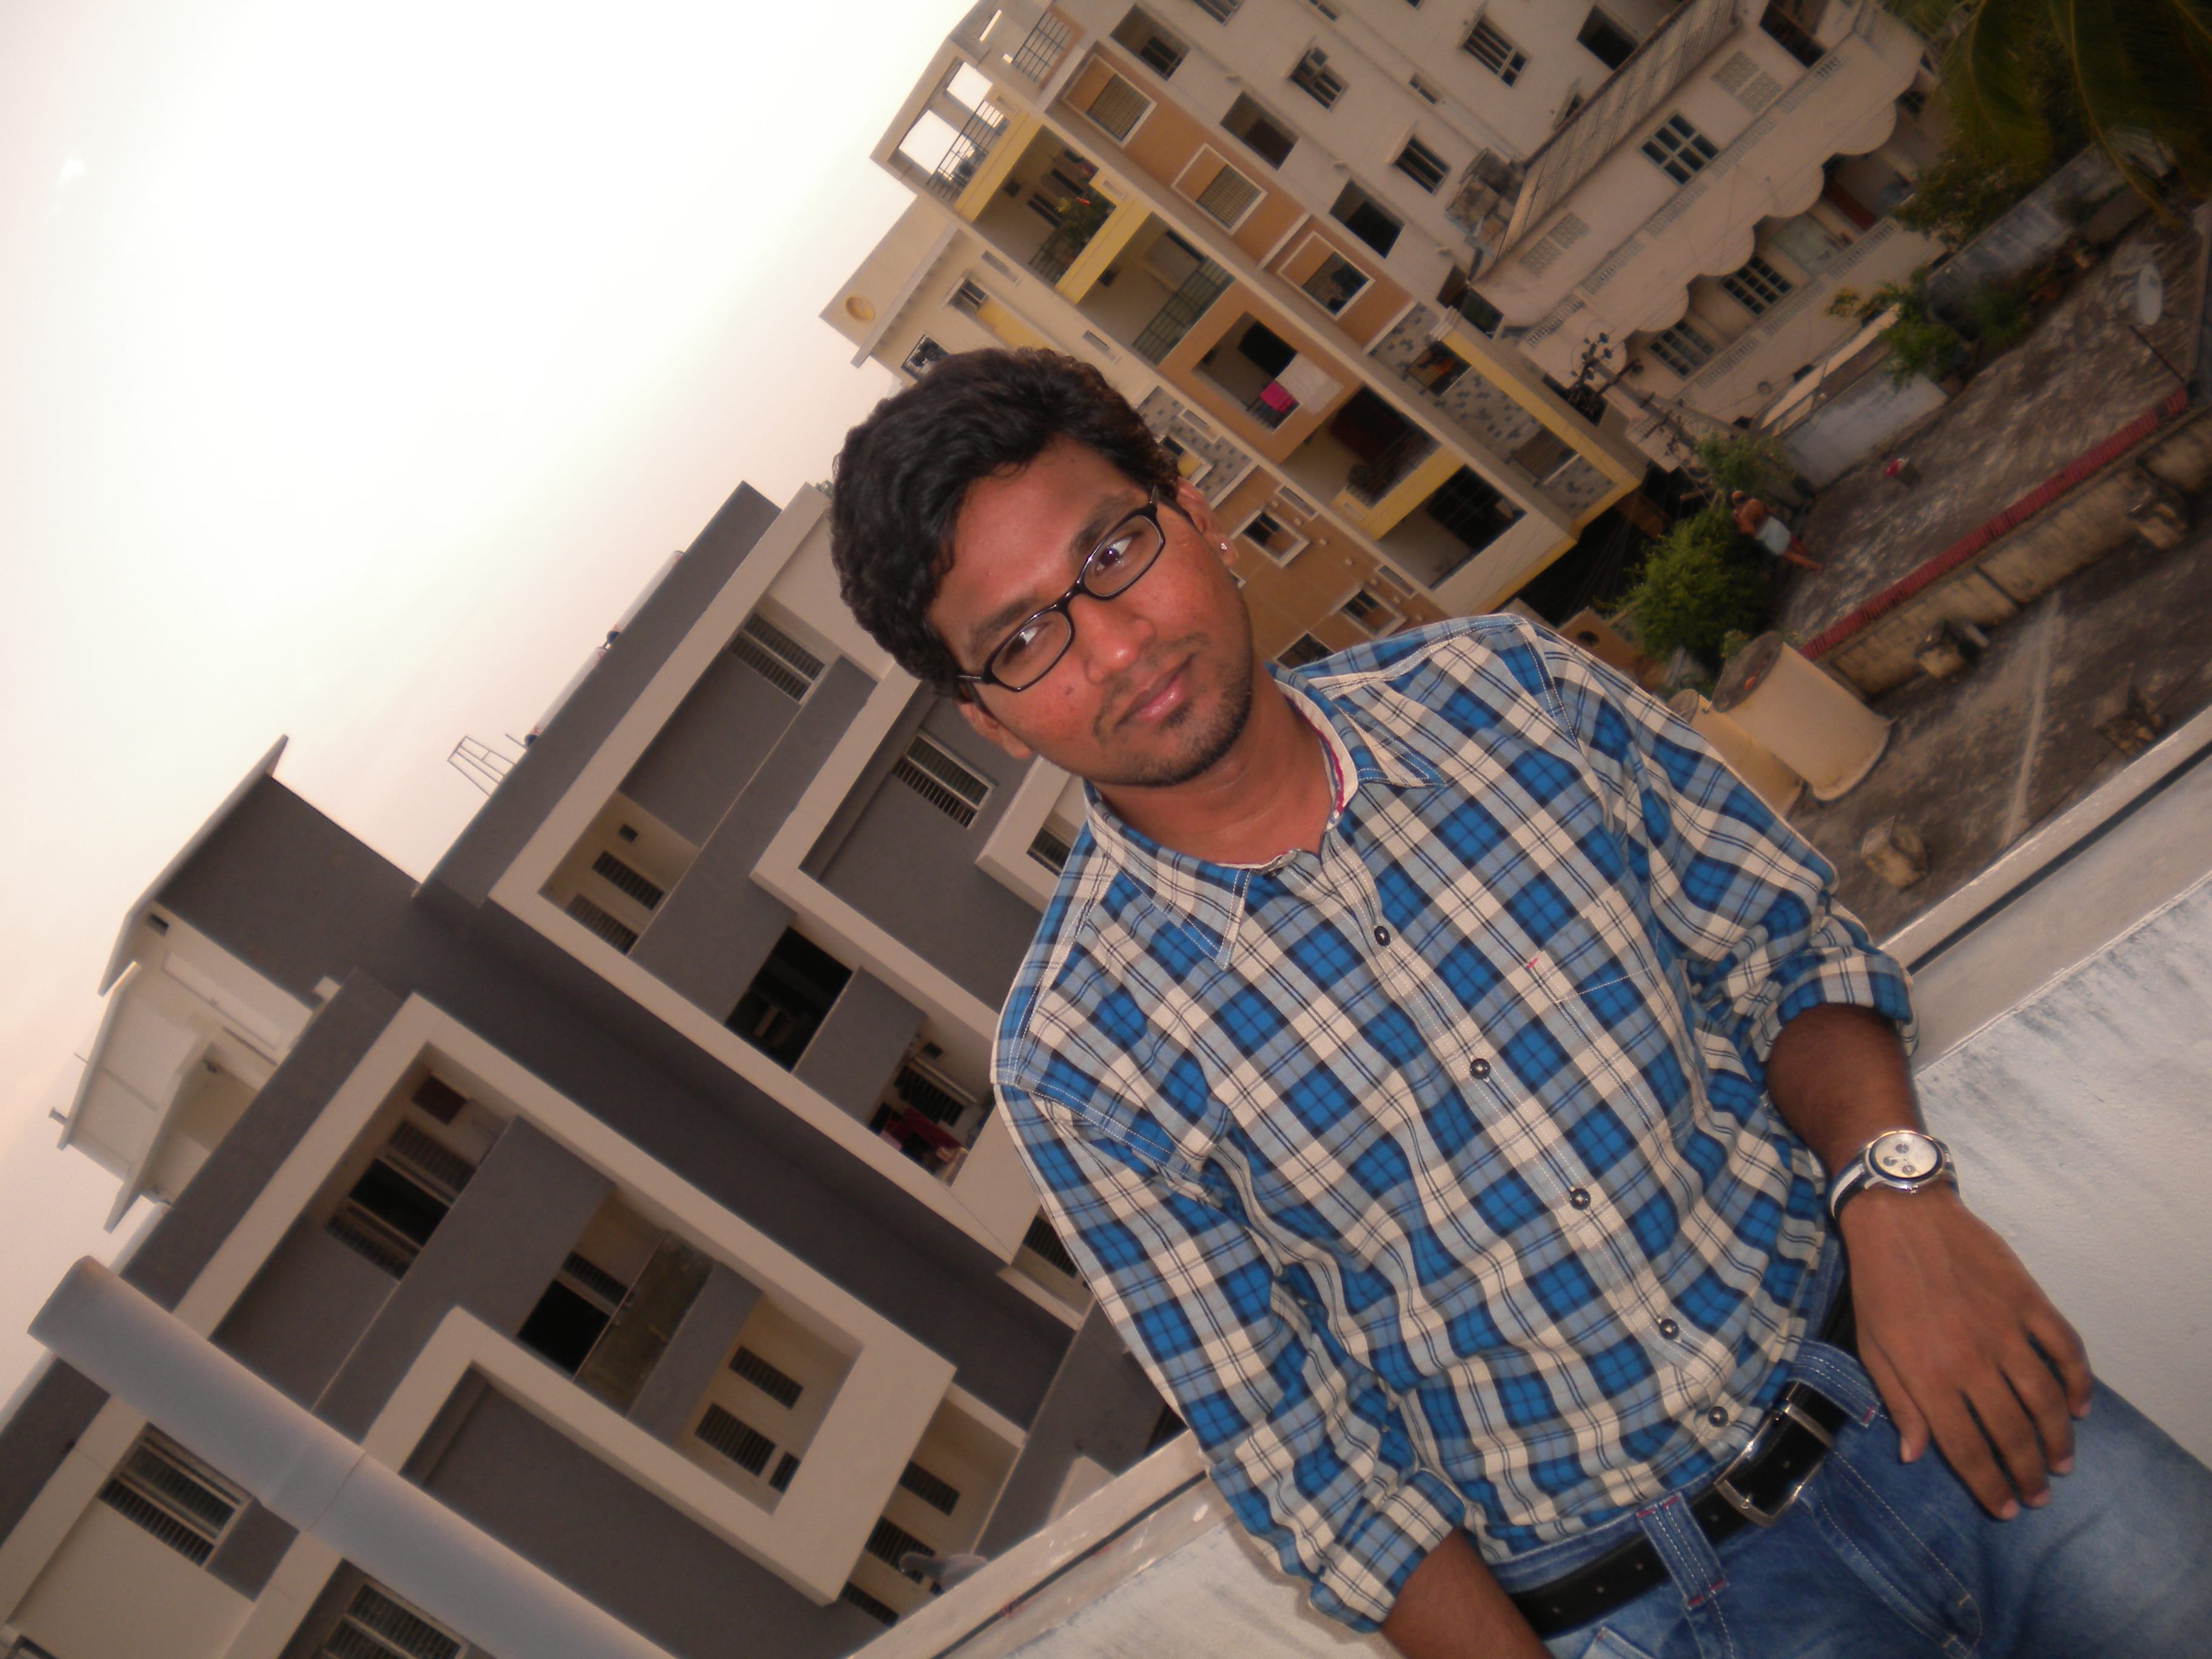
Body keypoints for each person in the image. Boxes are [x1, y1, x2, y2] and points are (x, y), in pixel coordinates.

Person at [826, 349, 2212, 1658]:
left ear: (1192, 510)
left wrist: (1897, 1199)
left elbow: (1781, 950)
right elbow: (1307, 1463)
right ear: (987, 717)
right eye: (1025, 637)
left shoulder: (1506, 690)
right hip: (1656, 1612)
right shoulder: (1080, 1061)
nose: (1118, 644)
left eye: (1112, 552)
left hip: (1930, 1380)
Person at [1731, 491, 1822, 571]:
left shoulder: (1744, 516)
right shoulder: (1755, 501)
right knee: (1792, 543)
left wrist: (1741, 529)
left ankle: (1816, 567)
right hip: (1773, 523)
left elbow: (1751, 529)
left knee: (1789, 555)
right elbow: (1771, 511)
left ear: (1736, 503)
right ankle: (1809, 558)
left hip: (1767, 534)